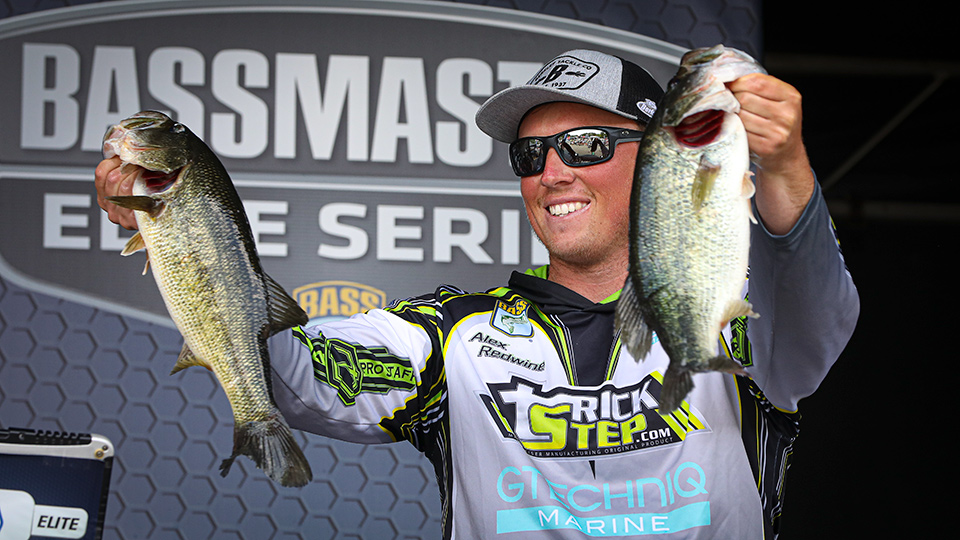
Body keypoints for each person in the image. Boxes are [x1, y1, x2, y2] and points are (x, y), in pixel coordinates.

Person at [95, 49, 859, 538]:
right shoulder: (453, 337)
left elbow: (820, 317)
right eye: (531, 154)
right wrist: (183, 227)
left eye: (586, 145)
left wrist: (785, 166)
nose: (552, 172)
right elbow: (293, 375)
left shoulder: (728, 315)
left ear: (660, 155)